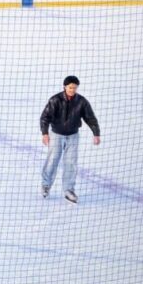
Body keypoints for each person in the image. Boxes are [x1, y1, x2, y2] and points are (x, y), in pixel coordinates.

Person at [39, 75, 100, 203]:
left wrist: (96, 133)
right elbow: (45, 117)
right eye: (70, 87)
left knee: (71, 163)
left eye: (75, 88)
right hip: (56, 135)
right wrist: (45, 133)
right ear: (65, 87)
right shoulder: (55, 100)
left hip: (73, 136)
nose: (72, 90)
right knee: (52, 160)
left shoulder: (81, 101)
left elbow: (90, 118)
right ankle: (46, 185)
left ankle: (69, 190)